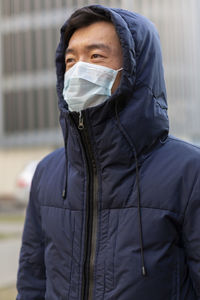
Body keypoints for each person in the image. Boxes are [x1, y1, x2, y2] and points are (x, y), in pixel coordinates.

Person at [16, 5, 200, 300]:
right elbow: (32, 282)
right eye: (70, 59)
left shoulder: (189, 171)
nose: (78, 70)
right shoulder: (48, 172)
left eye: (96, 56)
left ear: (134, 68)